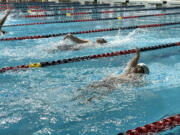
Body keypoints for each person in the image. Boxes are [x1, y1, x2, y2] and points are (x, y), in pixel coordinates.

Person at [75, 48, 150, 102]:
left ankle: (88, 100)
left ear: (142, 72)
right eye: (137, 66)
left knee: (99, 94)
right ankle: (78, 94)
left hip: (114, 85)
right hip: (110, 81)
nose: (136, 68)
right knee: (92, 87)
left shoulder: (137, 79)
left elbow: (139, 82)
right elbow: (133, 63)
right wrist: (137, 56)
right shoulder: (130, 72)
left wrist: (137, 57)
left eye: (139, 68)